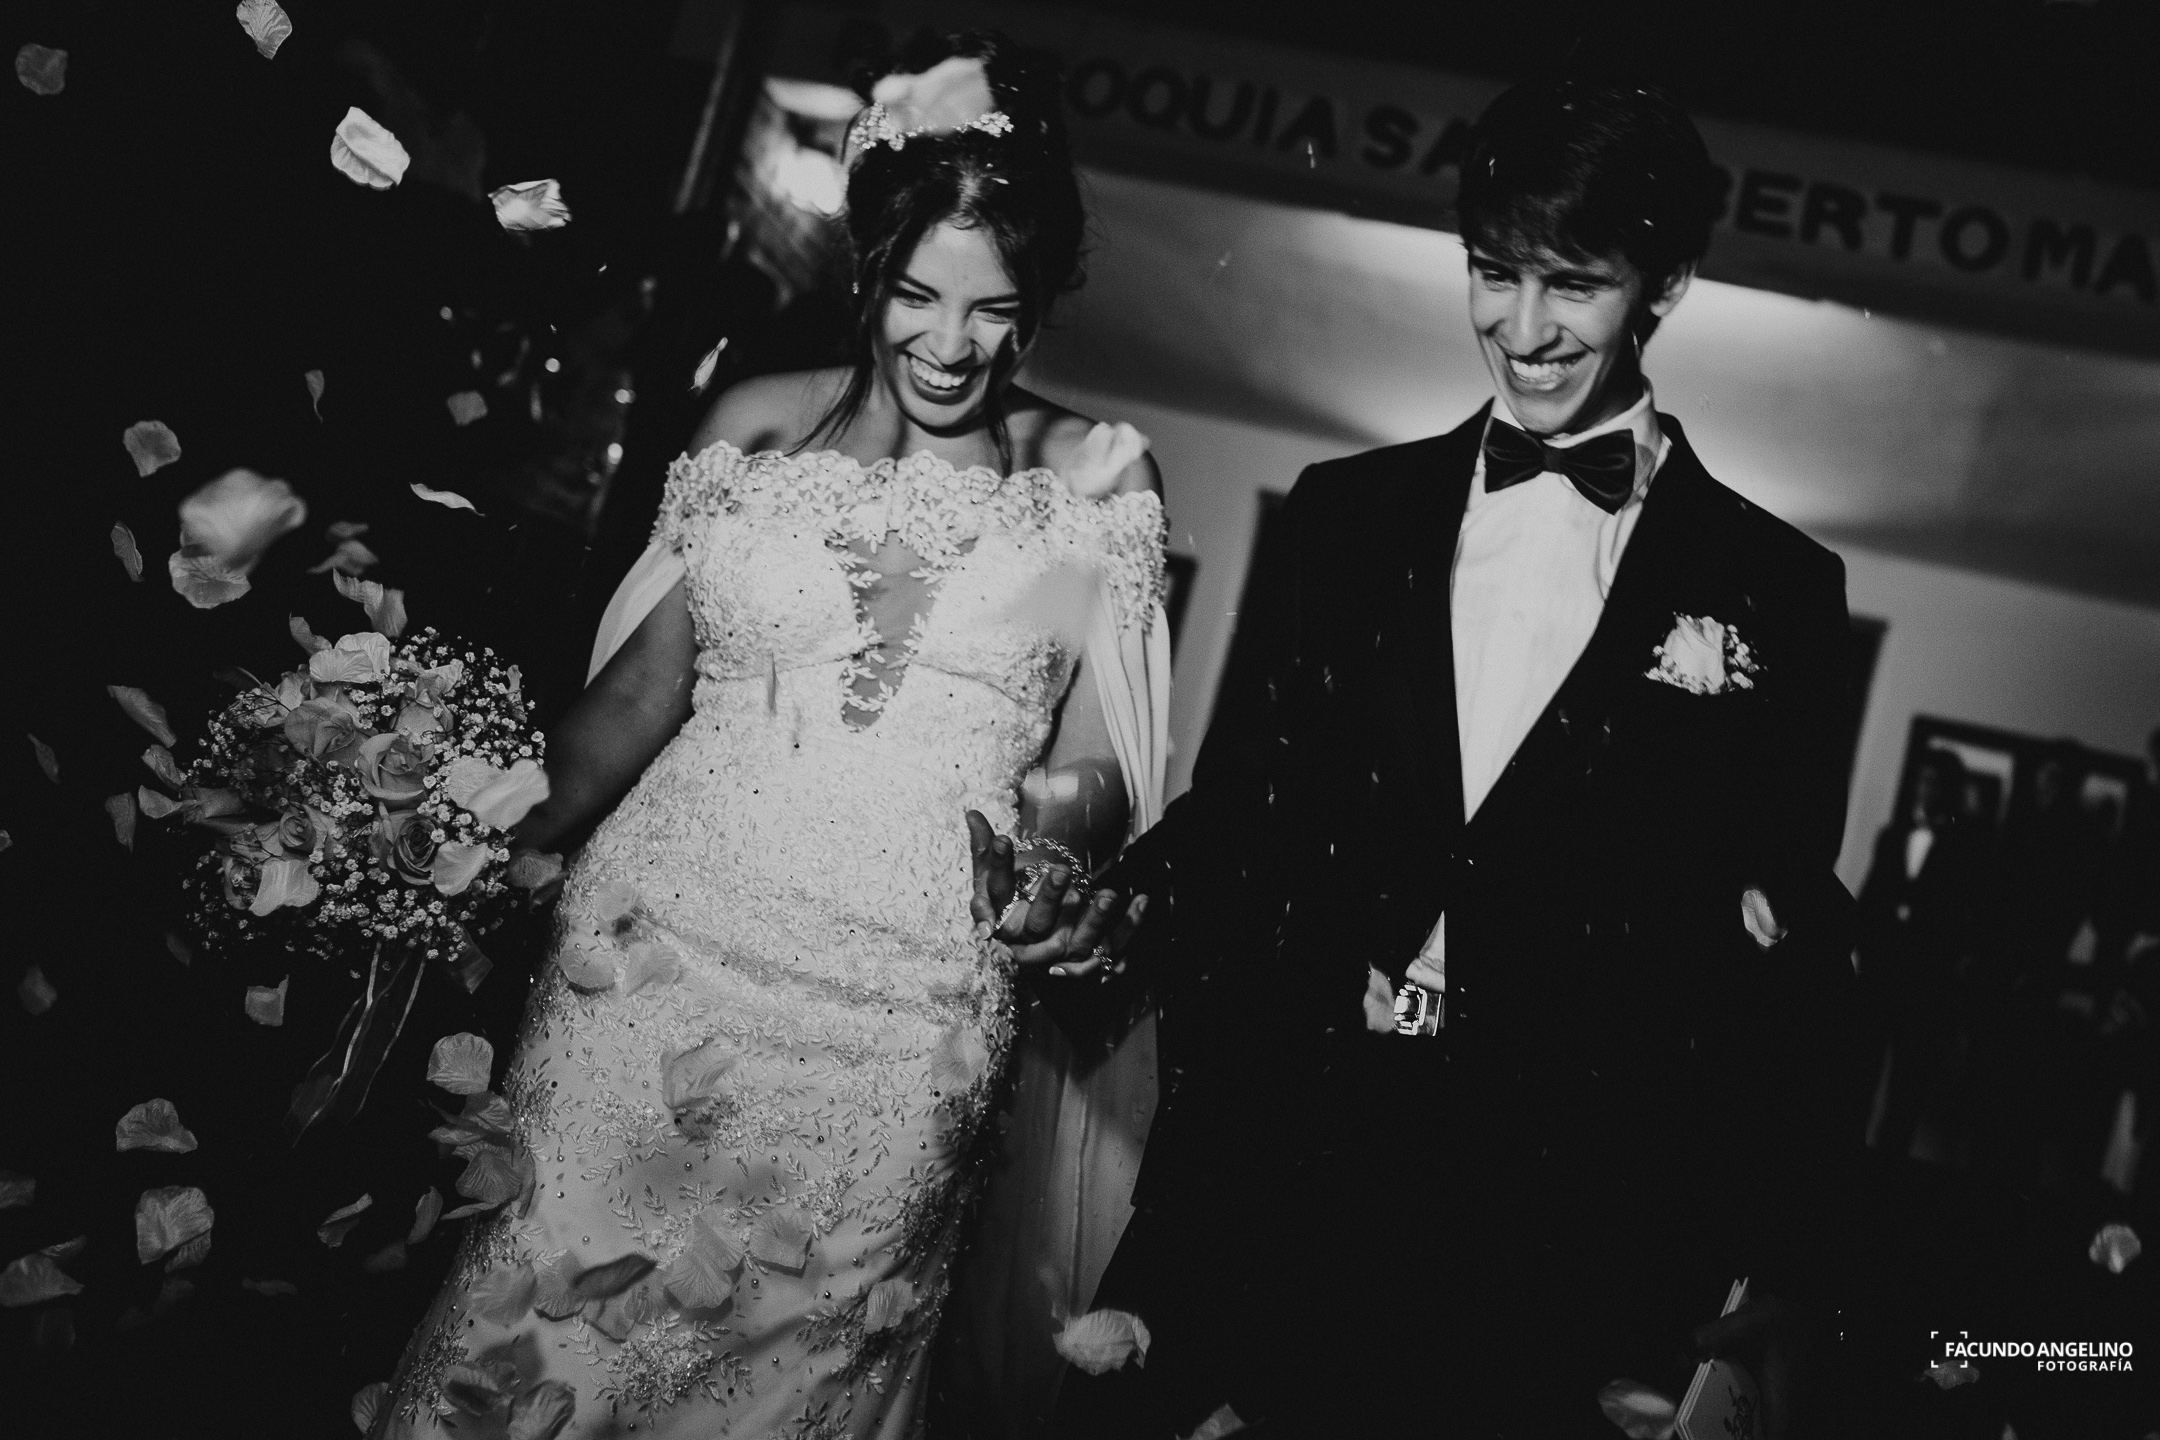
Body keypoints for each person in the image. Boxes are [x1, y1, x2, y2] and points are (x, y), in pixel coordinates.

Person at [1000, 77, 1863, 1439]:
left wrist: (1749, 1279)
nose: (1522, 329)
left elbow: (1778, 955)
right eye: (1493, 271)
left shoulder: (1777, 591)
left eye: (1573, 284)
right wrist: (1116, 910)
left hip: (1550, 1230)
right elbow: (1248, 810)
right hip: (1281, 1154)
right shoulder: (1344, 516)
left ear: (1667, 284)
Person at [375, 35, 1165, 1439]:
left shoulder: (1085, 483)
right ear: (869, 270)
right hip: (651, 965)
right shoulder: (754, 429)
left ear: (1042, 300)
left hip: (904, 1020)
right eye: (916, 296)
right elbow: (633, 705)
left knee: (797, 1373)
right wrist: (434, 833)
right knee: (542, 1339)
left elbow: (1090, 755)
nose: (949, 346)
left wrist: (1056, 852)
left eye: (994, 311)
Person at [1858, 748, 1983, 1162]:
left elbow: (1964, 919)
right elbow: (1871, 898)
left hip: (1925, 984)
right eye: (1923, 780)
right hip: (1879, 974)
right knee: (1861, 1070)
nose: (1926, 789)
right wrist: (1863, 951)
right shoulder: (1893, 835)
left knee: (1907, 1084)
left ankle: (1888, 1163)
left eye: (1936, 783)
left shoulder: (1964, 848)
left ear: (1948, 790)